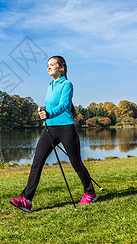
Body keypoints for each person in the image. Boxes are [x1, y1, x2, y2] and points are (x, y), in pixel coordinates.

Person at [10, 56, 97, 212]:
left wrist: (49, 113)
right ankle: (27, 200)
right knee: (37, 162)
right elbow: (50, 106)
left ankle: (90, 193)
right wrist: (44, 112)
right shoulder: (50, 85)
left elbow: (64, 105)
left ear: (61, 67)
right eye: (47, 65)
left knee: (76, 163)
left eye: (52, 65)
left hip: (66, 129)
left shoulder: (67, 85)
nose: (48, 67)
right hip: (50, 129)